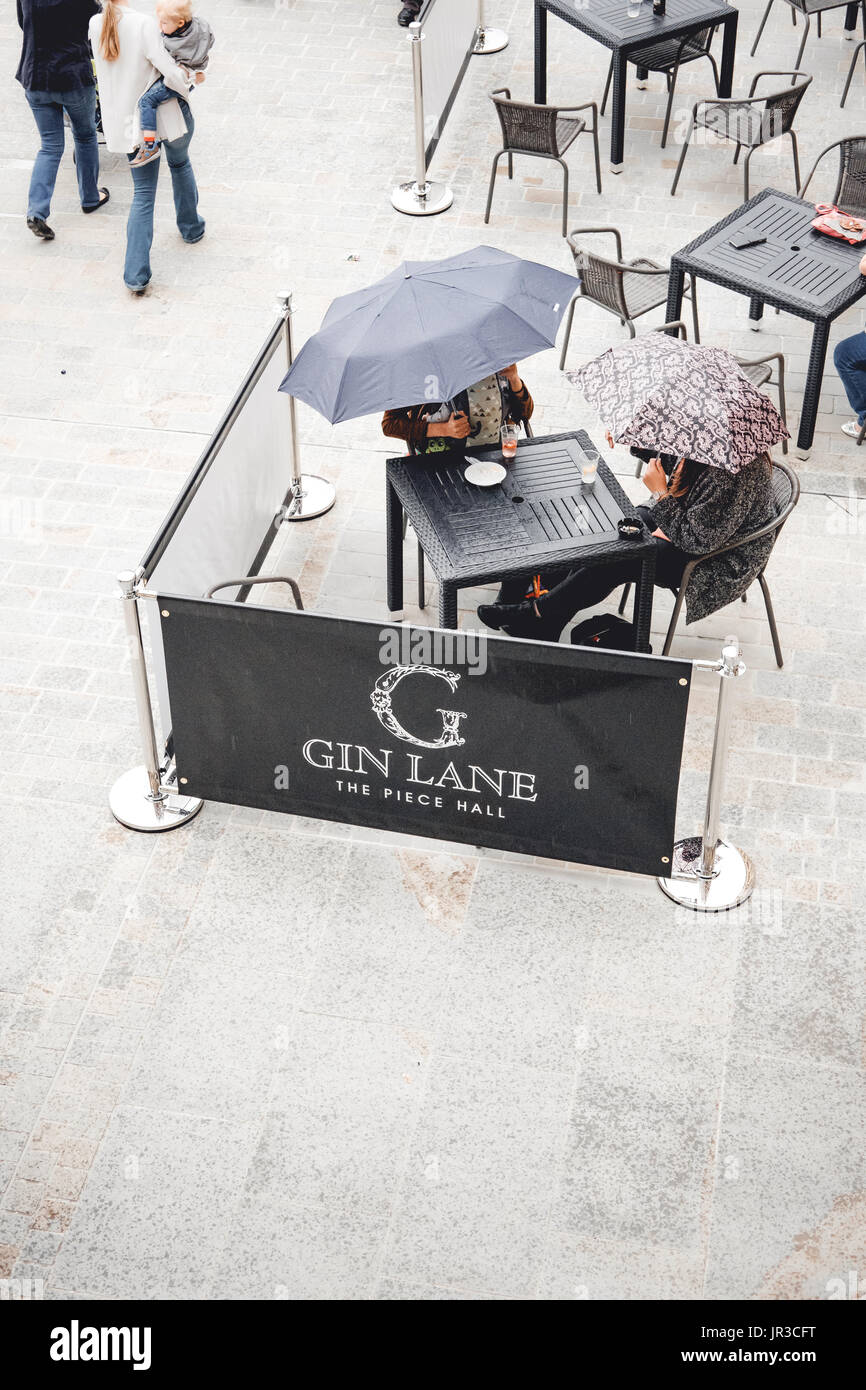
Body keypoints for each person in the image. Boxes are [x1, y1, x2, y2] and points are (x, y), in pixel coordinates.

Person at [477, 451, 777, 641]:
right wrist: (645, 446)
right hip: (693, 522)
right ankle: (550, 610)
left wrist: (661, 495)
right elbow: (679, 477)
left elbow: (697, 541)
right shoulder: (706, 444)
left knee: (623, 558)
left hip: (715, 559)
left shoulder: (737, 472)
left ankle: (540, 614)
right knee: (618, 528)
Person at [90, 0, 206, 296]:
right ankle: (191, 228)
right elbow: (169, 71)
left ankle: (136, 275)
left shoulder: (95, 24)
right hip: (167, 116)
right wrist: (190, 81)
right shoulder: (143, 24)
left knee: (143, 195)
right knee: (180, 164)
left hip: (130, 127)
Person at [16, 0, 109, 241]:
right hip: (72, 77)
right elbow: (97, 24)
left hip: (35, 74)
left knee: (50, 146)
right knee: (86, 135)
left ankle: (37, 211)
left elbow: (21, 22)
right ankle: (90, 197)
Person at [381, 364, 533, 455]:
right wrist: (443, 429)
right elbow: (390, 424)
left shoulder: (496, 363)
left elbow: (525, 414)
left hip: (495, 458)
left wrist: (514, 379)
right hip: (443, 463)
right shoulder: (426, 371)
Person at [132, 1, 214, 168]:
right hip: (192, 75)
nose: (160, 27)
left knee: (146, 101)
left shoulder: (172, 42)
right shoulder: (201, 26)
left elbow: (161, 59)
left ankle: (149, 145)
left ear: (180, 23)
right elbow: (210, 40)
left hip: (178, 79)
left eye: (163, 23)